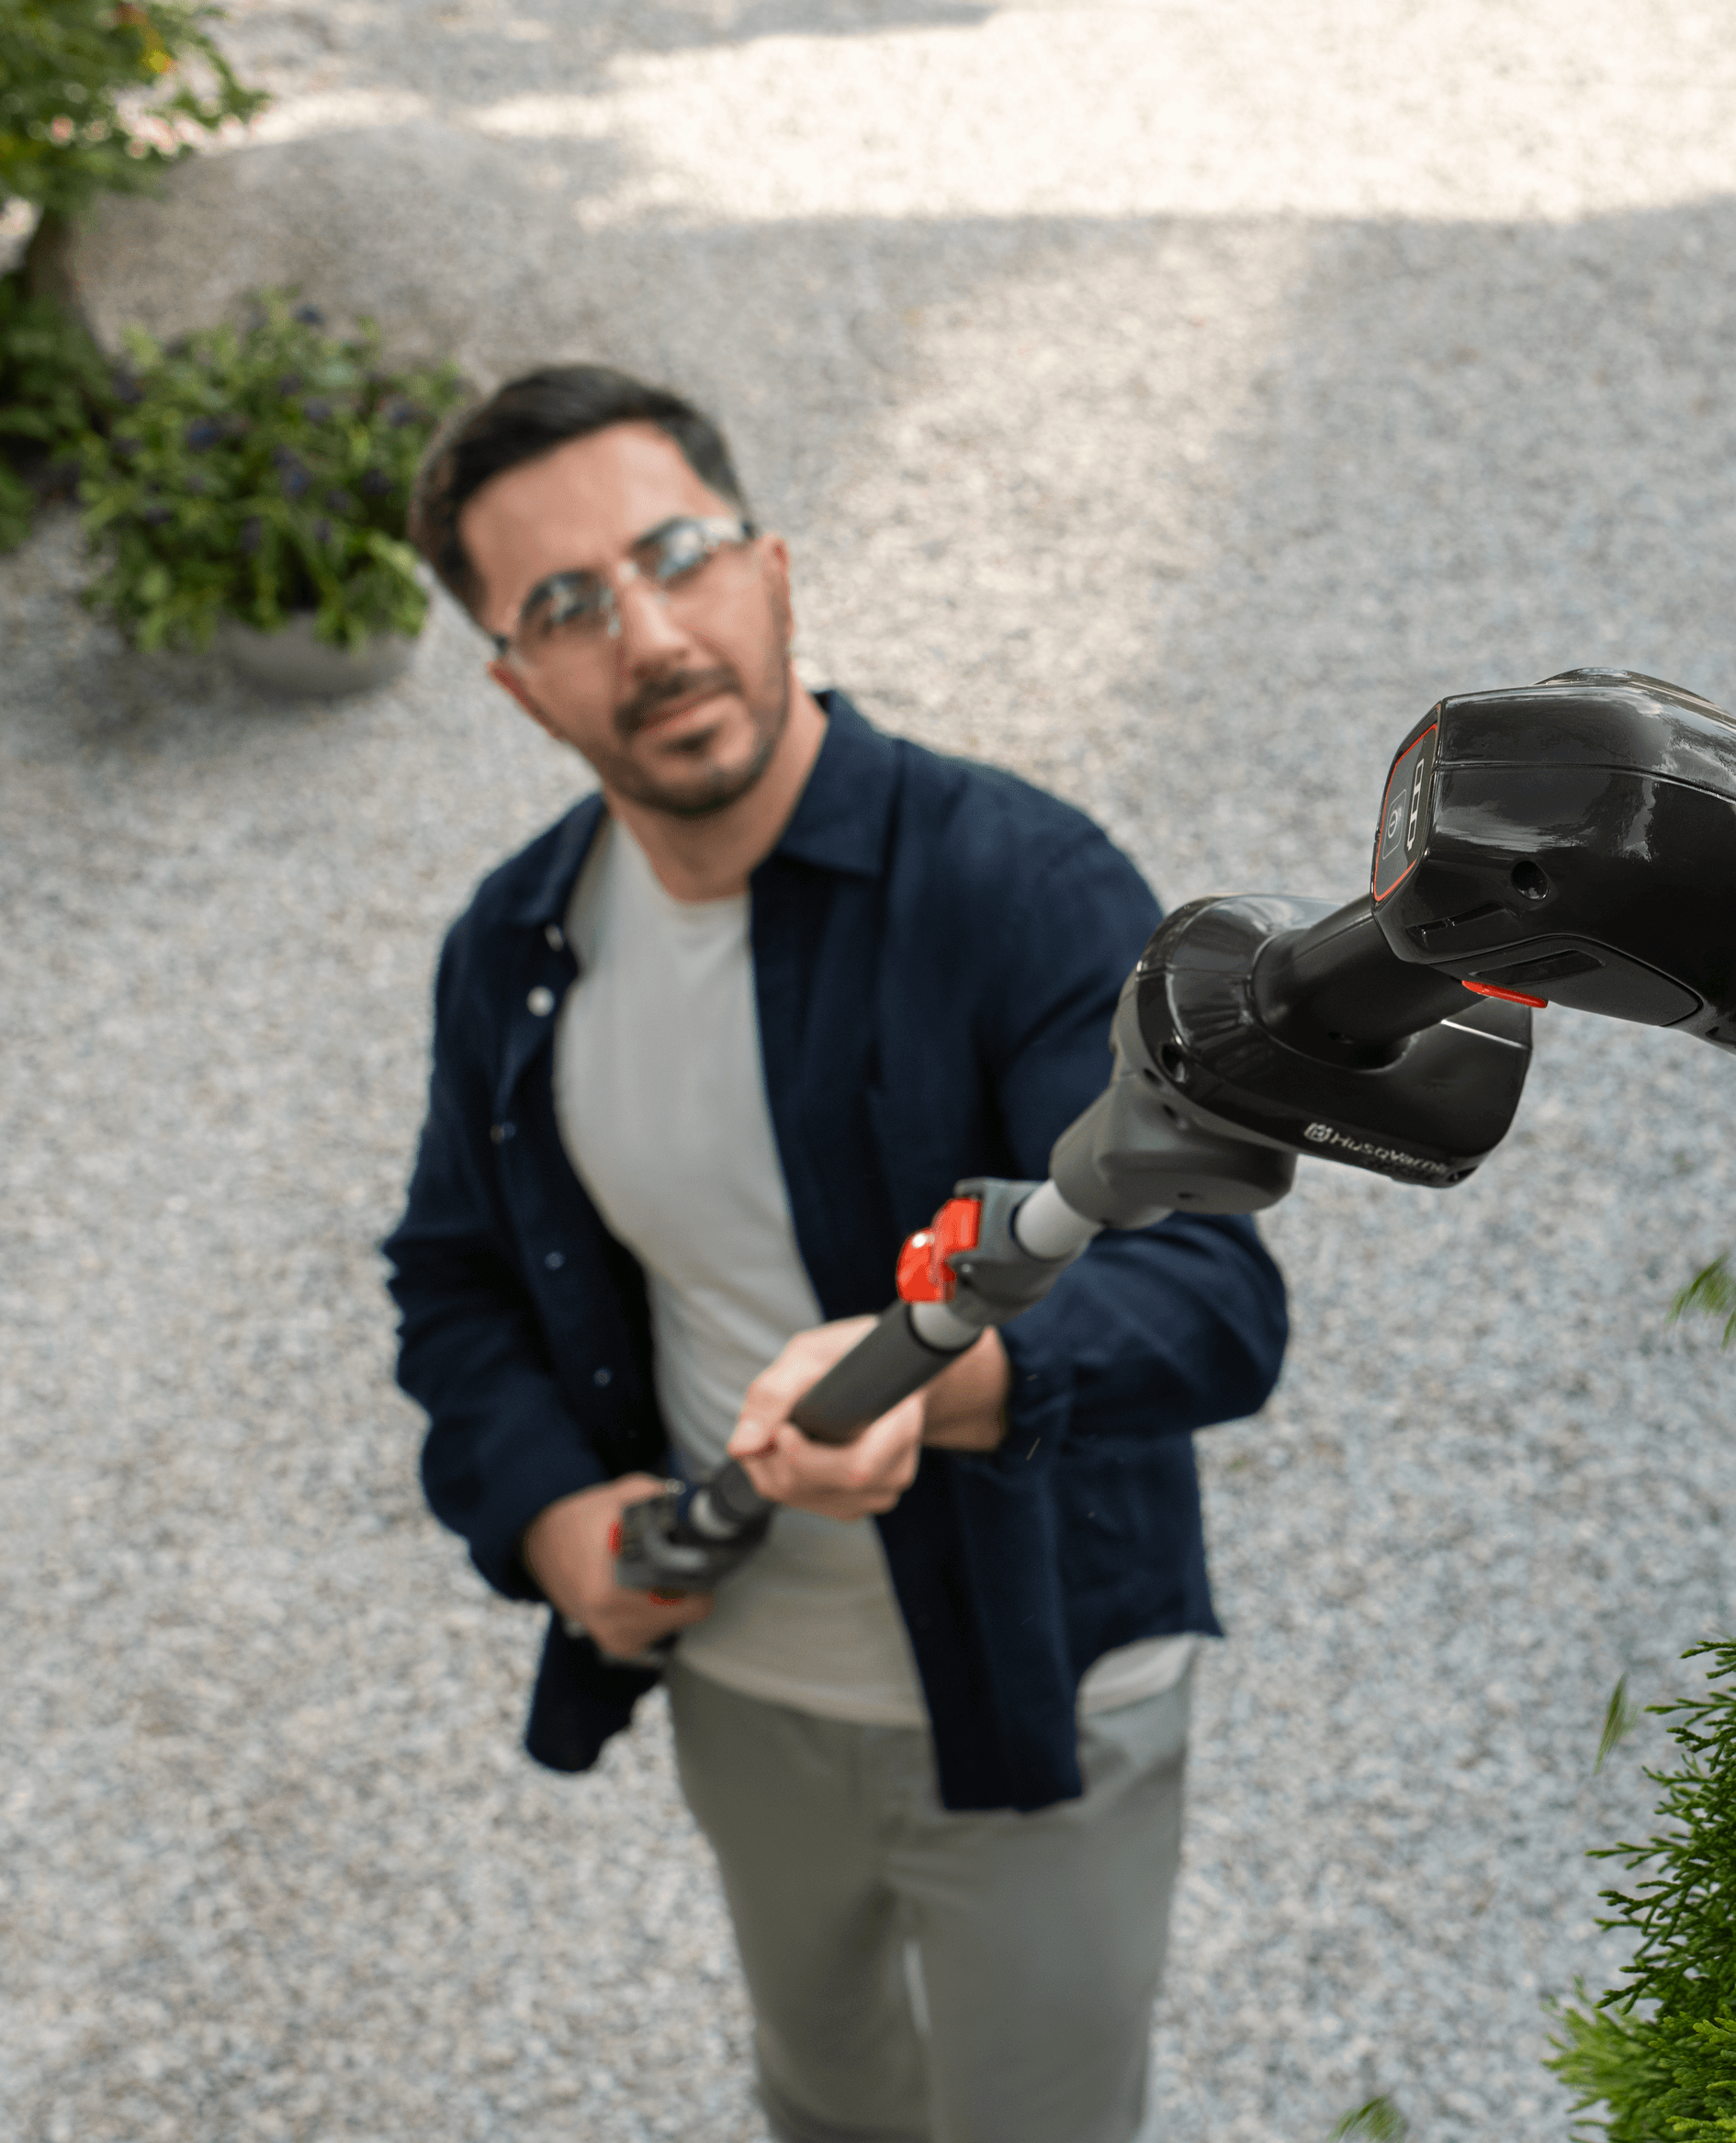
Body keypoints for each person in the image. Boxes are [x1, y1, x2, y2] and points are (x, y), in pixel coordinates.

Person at [383, 365, 1287, 2143]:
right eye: (567, 606)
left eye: (678, 557)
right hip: (738, 1676)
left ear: (773, 567)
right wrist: (557, 1519)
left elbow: (1209, 1298)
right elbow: (456, 1280)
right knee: (824, 2103)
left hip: (1043, 1690)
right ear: (514, 680)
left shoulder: (1021, 881)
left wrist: (954, 1391)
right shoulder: (515, 942)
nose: (646, 636)